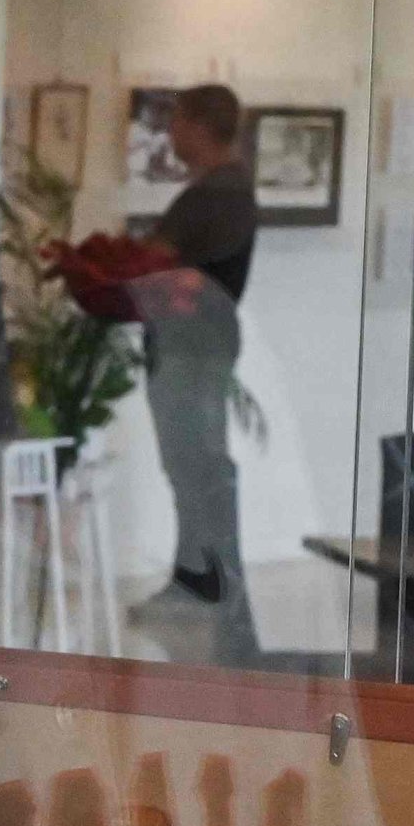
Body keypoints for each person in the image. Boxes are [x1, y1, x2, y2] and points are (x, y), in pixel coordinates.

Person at [131, 83, 257, 654]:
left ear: (201, 126)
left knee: (203, 471)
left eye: (177, 122)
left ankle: (228, 603)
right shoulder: (218, 189)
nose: (170, 134)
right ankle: (195, 578)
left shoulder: (219, 193)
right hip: (188, 345)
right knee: (186, 469)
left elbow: (160, 264)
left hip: (194, 348)